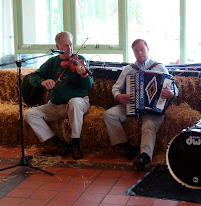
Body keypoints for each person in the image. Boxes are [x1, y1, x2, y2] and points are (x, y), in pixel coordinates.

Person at [103, 39, 178, 171]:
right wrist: (119, 96)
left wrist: (171, 93)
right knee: (109, 115)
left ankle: (144, 156)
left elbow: (174, 88)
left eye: (142, 49)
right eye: (136, 50)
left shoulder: (159, 67)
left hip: (153, 109)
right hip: (132, 105)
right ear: (133, 52)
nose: (140, 52)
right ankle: (126, 147)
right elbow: (115, 88)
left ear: (148, 49)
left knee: (148, 125)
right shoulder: (129, 69)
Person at [24, 31, 93, 160]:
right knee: (29, 114)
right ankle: (58, 142)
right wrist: (43, 81)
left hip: (78, 104)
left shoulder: (80, 60)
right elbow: (33, 77)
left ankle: (75, 143)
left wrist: (84, 75)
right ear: (58, 47)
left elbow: (89, 85)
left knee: (74, 102)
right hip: (56, 106)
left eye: (71, 45)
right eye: (65, 46)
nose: (70, 49)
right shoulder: (51, 62)